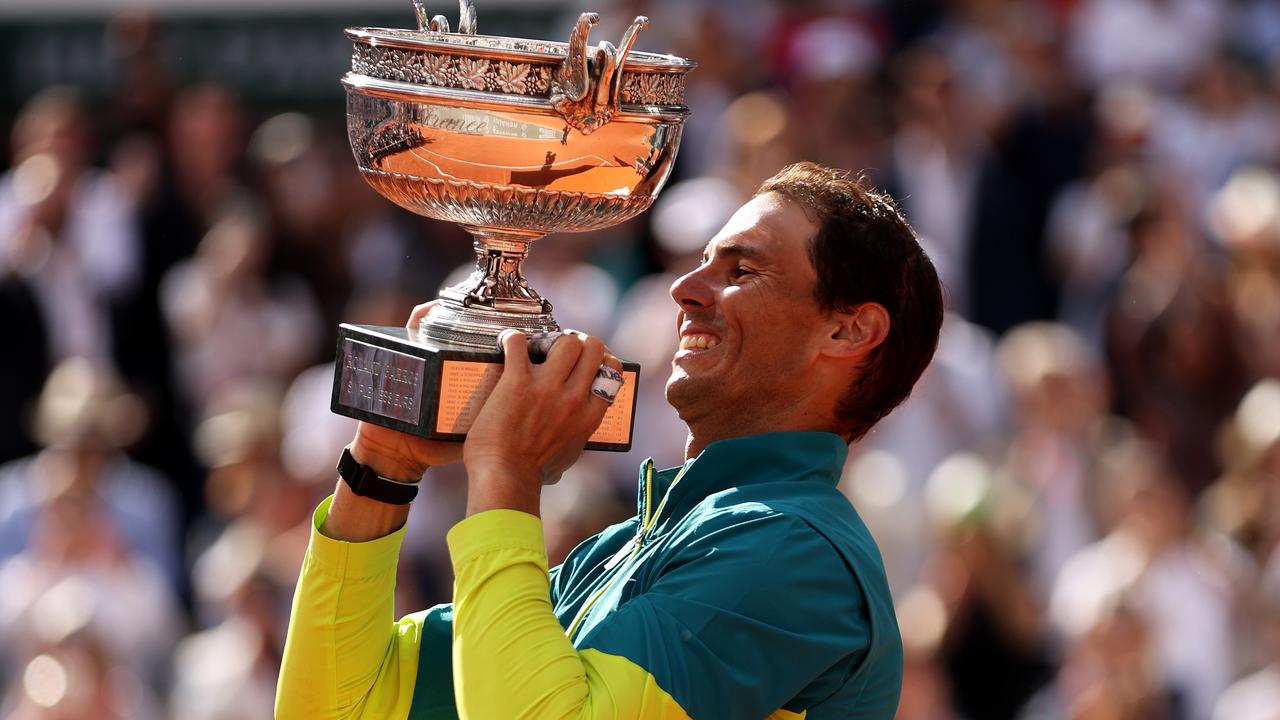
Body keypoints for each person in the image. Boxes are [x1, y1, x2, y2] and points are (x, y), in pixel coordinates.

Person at [275, 162, 944, 719]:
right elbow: (333, 709)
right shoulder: (616, 552)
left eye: (742, 270)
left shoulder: (798, 551)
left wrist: (507, 473)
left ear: (848, 332)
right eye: (703, 262)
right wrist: (381, 468)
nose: (684, 288)